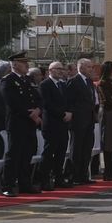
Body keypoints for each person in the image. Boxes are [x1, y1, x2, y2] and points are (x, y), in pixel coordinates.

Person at [2, 51, 41, 197]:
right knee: (14, 155)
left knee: (27, 154)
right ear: (14, 64)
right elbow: (12, 102)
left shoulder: (28, 80)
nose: (26, 65)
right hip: (17, 123)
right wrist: (30, 113)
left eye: (26, 62)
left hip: (30, 123)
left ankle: (25, 183)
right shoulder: (8, 80)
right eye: (23, 62)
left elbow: (38, 98)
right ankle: (8, 185)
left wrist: (38, 110)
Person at [66, 58, 98, 185]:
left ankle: (84, 174)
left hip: (89, 119)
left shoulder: (89, 82)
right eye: (89, 67)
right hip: (78, 121)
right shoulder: (73, 82)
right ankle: (75, 176)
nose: (91, 69)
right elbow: (69, 101)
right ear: (82, 68)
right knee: (77, 149)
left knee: (87, 148)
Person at [38, 61, 70, 190]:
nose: (61, 71)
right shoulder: (45, 85)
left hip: (63, 124)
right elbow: (47, 104)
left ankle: (59, 178)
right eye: (58, 69)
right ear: (50, 70)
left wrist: (69, 112)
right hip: (51, 124)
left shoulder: (63, 85)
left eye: (62, 69)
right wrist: (63, 114)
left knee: (61, 153)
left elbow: (67, 102)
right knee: (49, 153)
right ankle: (44, 180)